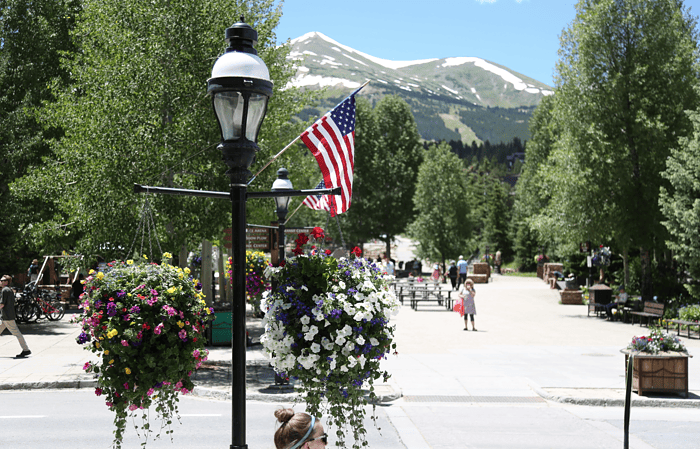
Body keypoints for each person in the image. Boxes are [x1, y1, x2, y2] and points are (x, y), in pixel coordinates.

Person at [0, 275, 31, 358]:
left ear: (6, 282)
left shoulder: (5, 290)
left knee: (17, 333)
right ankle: (26, 349)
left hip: (7, 317)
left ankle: (26, 350)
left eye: (2, 280)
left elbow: (2, 304)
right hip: (6, 317)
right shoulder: (9, 290)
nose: (0, 281)